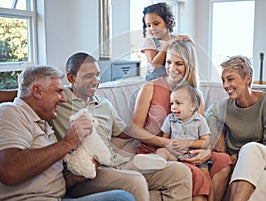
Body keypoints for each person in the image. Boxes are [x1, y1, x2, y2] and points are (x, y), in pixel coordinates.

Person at [50, 52, 193, 201]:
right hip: (87, 173)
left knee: (180, 172)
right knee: (135, 181)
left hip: (117, 162)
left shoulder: (104, 104)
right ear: (71, 78)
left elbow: (125, 132)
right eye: (88, 76)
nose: (95, 81)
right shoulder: (58, 102)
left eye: (97, 75)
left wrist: (155, 133)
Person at [0, 66, 135, 201]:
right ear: (37, 91)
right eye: (58, 92)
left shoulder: (44, 124)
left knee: (122, 196)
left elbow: (52, 181)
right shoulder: (11, 112)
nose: (64, 99)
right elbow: (10, 170)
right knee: (122, 198)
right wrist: (69, 142)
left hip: (58, 197)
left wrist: (76, 177)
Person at [133, 40, 232, 201]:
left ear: (189, 65)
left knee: (224, 161)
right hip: (157, 150)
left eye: (178, 63)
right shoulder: (149, 88)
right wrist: (166, 143)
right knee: (197, 174)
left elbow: (200, 132)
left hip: (187, 148)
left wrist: (205, 152)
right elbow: (135, 129)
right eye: (168, 62)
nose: (172, 68)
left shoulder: (196, 95)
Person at [206, 55, 266, 200]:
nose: (225, 85)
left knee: (250, 148)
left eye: (230, 79)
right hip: (248, 171)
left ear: (247, 78)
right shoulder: (225, 105)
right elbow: (209, 114)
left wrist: (239, 156)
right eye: (223, 80)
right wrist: (221, 133)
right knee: (260, 184)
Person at [155, 83, 214, 201]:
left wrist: (187, 143)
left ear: (192, 106)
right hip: (176, 155)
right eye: (172, 103)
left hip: (195, 155)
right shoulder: (170, 119)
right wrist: (170, 145)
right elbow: (164, 139)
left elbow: (206, 142)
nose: (173, 107)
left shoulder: (199, 120)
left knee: (206, 177)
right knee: (161, 151)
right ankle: (155, 163)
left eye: (178, 103)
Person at [142, 2, 191, 81]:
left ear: (167, 22)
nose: (152, 28)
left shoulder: (176, 40)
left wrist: (188, 41)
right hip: (154, 84)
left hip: (173, 82)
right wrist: (167, 44)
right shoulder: (150, 43)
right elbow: (155, 64)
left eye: (156, 23)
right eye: (148, 25)